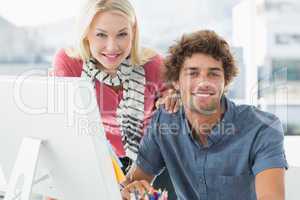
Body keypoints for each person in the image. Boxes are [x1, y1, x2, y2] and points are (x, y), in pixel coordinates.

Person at [120, 30, 288, 200]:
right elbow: (132, 184)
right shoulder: (164, 122)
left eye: (213, 74)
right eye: (193, 73)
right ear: (177, 82)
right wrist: (132, 190)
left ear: (226, 81)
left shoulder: (262, 128)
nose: (203, 82)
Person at [52, 0, 177, 198]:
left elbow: (174, 100)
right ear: (86, 34)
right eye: (101, 34)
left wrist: (171, 99)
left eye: (122, 34)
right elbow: (64, 127)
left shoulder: (152, 64)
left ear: (133, 32)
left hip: (145, 164)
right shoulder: (69, 62)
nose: (112, 47)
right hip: (92, 161)